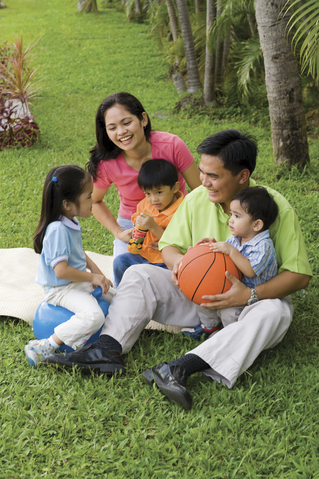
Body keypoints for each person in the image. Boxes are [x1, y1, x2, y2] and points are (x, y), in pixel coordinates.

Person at [46, 130, 312, 411]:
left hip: (249, 306)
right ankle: (106, 349)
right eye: (202, 172)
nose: (203, 182)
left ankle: (180, 368)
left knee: (274, 312)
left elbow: (299, 275)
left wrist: (249, 294)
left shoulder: (275, 206)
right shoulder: (197, 199)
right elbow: (170, 247)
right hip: (198, 300)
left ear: (242, 176)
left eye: (214, 176)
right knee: (139, 275)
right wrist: (180, 265)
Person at [87, 92, 201, 259]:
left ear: (143, 119)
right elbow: (94, 200)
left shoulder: (172, 146)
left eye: (127, 122)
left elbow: (201, 191)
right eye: (112, 128)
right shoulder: (107, 162)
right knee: (123, 267)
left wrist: (188, 231)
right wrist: (119, 233)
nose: (121, 132)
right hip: (133, 226)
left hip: (176, 220)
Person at [24, 165, 113, 367]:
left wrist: (100, 277)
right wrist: (91, 278)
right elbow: (61, 271)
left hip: (75, 281)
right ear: (67, 204)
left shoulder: (69, 222)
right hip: (60, 289)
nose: (93, 201)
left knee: (116, 297)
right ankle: (46, 345)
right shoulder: (57, 230)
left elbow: (81, 255)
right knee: (94, 316)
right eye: (89, 197)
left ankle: (115, 335)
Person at [182, 186, 279, 339]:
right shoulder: (237, 237)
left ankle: (230, 336)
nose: (231, 220)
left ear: (257, 225)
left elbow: (250, 270)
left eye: (237, 216)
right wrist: (211, 245)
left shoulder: (263, 246)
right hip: (233, 287)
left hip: (252, 298)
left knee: (228, 312)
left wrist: (231, 251)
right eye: (231, 214)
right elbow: (224, 253)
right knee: (204, 295)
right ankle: (209, 327)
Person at [113, 159, 183, 288]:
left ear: (175, 188)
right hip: (144, 255)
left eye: (159, 192)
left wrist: (153, 226)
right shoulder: (146, 204)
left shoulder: (182, 211)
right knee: (120, 261)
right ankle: (119, 292)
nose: (153, 199)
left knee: (164, 281)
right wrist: (137, 224)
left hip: (165, 262)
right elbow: (136, 217)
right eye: (148, 193)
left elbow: (176, 242)